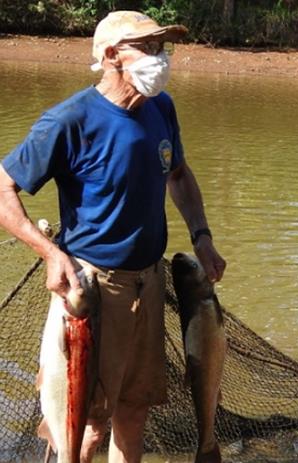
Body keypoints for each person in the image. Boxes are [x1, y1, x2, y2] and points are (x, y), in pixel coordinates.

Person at [0, 11, 226, 463]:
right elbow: (3, 187)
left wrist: (201, 236)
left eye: (163, 47)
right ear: (110, 56)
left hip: (149, 279)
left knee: (135, 410)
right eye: (148, 47)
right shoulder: (70, 120)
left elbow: (178, 175)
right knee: (87, 425)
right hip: (92, 292)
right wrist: (48, 252)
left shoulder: (161, 107)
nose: (161, 57)